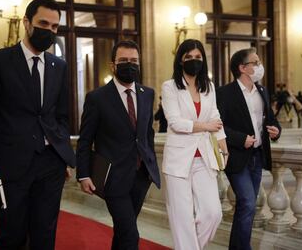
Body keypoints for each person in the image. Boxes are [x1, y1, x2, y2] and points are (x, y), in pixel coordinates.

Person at [0, 0, 75, 250]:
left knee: (45, 235)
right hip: (12, 163)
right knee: (12, 235)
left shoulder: (59, 66)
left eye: (54, 27)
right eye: (43, 23)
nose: (49, 31)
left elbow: (61, 116)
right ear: (26, 23)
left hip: (50, 163)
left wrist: (61, 151)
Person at [76, 40, 161, 250]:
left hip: (141, 176)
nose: (129, 64)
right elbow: (85, 140)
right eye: (123, 60)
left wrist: (151, 166)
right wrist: (84, 174)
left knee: (123, 232)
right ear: (113, 65)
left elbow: (147, 133)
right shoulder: (97, 98)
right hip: (113, 178)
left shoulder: (147, 94)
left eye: (134, 60)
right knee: (131, 234)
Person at [161, 39, 228, 250]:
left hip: (204, 157)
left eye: (198, 57)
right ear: (180, 60)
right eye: (188, 57)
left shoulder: (208, 86)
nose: (194, 61)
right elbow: (175, 122)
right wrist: (206, 126)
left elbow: (216, 117)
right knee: (182, 218)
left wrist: (223, 146)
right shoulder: (169, 86)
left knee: (213, 213)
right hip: (178, 160)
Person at [216, 47, 281, 250]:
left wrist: (276, 131)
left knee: (247, 207)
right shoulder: (225, 92)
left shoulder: (262, 90)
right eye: (256, 62)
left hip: (257, 156)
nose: (260, 66)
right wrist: (239, 138)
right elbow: (218, 125)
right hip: (236, 157)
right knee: (248, 203)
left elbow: (271, 119)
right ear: (243, 68)